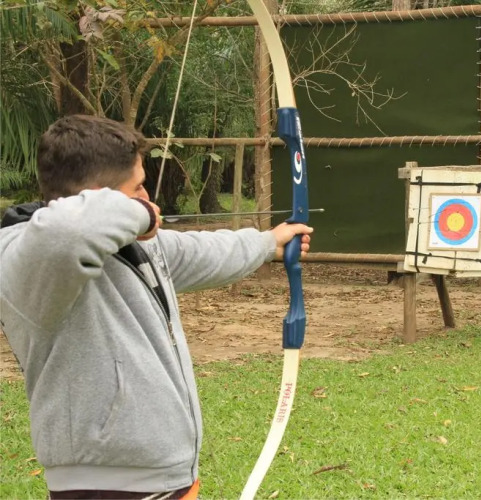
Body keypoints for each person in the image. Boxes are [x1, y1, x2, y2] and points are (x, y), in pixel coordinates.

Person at [0, 114, 313, 499]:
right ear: (100, 196)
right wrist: (142, 213)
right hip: (106, 487)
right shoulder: (28, 257)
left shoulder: (132, 246)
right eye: (138, 187)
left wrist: (269, 243)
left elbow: (203, 251)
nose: (148, 197)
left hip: (165, 477)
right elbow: (69, 232)